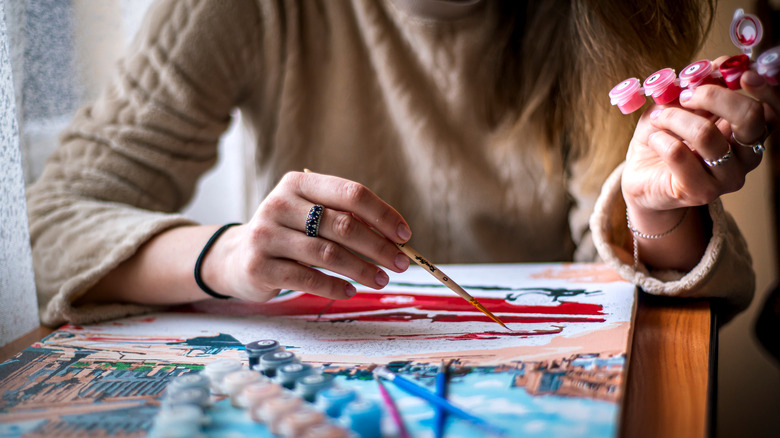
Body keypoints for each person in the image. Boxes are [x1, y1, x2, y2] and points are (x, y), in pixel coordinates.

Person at [27, 0, 769, 327]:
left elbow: (647, 313)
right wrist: (227, 257)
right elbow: (47, 231)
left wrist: (651, 214)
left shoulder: (605, 17)